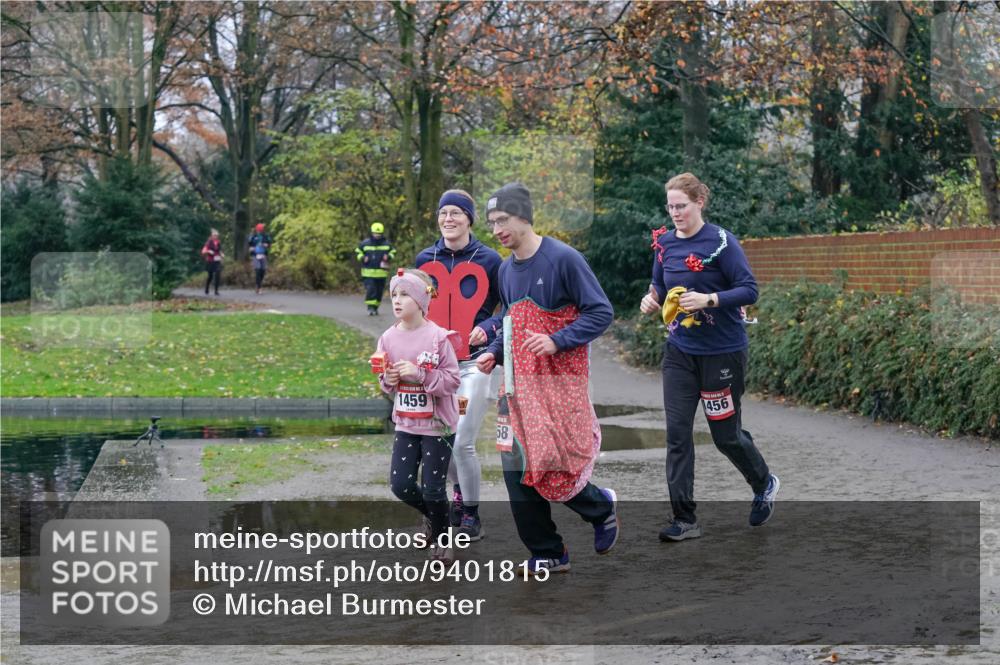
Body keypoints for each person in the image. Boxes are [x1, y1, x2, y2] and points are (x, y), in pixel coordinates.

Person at [476, 182, 619, 575]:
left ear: (525, 216)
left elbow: (601, 312)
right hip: (517, 386)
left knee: (552, 462)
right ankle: (547, 551)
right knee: (515, 469)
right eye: (491, 223)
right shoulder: (505, 270)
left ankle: (601, 508)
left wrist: (557, 340)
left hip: (560, 382)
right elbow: (512, 322)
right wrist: (493, 351)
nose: (497, 229)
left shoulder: (563, 259)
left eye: (503, 219)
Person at [638, 172, 779, 542]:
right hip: (680, 352)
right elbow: (658, 285)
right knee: (678, 434)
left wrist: (709, 299)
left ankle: (763, 483)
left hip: (722, 354)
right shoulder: (664, 244)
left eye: (681, 206)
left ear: (699, 202)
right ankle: (684, 519)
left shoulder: (721, 242)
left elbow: (750, 290)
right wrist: (650, 299)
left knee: (725, 436)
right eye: (670, 207)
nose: (675, 213)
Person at [415, 189, 503, 542]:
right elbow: (412, 309)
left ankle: (471, 515)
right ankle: (457, 496)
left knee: (463, 439)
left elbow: (511, 309)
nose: (448, 219)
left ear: (469, 218)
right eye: (442, 213)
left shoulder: (490, 260)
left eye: (455, 213)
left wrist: (490, 331)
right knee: (440, 438)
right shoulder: (425, 259)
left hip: (474, 365)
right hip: (434, 367)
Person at [374, 268, 462, 563]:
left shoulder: (439, 338)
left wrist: (421, 374)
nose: (396, 301)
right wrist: (388, 377)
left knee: (434, 488)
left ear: (421, 301)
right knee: (401, 485)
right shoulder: (387, 338)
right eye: (393, 295)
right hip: (407, 423)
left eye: (404, 295)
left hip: (438, 426)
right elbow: (385, 384)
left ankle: (443, 536)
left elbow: (452, 380)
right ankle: (441, 521)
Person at [356, 223, 396, 315]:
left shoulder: (386, 244)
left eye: (379, 234)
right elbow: (358, 252)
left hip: (381, 273)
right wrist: (362, 258)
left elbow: (393, 252)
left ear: (382, 233)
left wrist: (388, 257)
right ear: (372, 233)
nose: (377, 235)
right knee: (371, 289)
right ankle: (370, 308)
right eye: (375, 233)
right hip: (368, 273)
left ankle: (375, 307)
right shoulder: (365, 243)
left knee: (379, 291)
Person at [247, 223, 272, 295]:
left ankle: (258, 284)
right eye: (261, 228)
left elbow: (269, 243)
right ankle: (259, 287)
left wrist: (266, 245)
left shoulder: (266, 236)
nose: (262, 230)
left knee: (263, 271)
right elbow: (249, 244)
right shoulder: (253, 236)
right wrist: (251, 248)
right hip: (256, 255)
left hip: (263, 255)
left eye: (262, 228)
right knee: (258, 270)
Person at [200, 229, 224, 295]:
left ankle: (216, 290)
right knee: (210, 276)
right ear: (212, 236)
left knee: (218, 274)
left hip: (217, 260)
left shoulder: (218, 242)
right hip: (210, 261)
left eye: (217, 235)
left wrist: (222, 254)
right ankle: (207, 288)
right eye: (214, 235)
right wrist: (208, 251)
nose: (216, 237)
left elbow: (220, 250)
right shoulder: (208, 242)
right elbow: (203, 251)